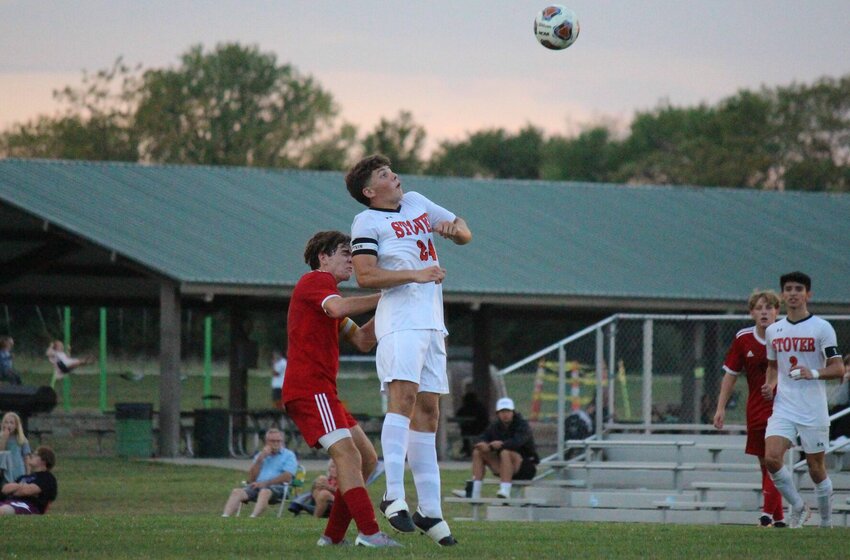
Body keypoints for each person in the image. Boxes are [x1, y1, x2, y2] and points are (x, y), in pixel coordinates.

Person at [347, 154, 471, 546]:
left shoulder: (416, 201)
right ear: (370, 191)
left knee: (430, 411)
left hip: (432, 321)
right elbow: (365, 275)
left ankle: (430, 509)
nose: (394, 176)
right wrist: (415, 273)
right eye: (384, 175)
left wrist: (455, 232)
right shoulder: (367, 221)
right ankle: (393, 493)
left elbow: (465, 230)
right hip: (400, 321)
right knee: (403, 399)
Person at [282, 230, 399, 548]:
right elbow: (337, 309)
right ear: (323, 257)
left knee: (368, 459)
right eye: (346, 253)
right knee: (348, 455)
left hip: (322, 392)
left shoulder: (328, 298)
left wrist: (395, 306)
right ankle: (370, 533)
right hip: (310, 390)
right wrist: (387, 295)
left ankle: (333, 539)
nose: (352, 260)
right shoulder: (316, 282)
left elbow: (362, 339)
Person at [760, 271, 844, 528]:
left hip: (813, 408)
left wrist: (814, 372)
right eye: (788, 289)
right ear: (783, 295)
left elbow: (838, 368)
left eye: (799, 288)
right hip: (784, 406)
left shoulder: (822, 328)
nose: (793, 293)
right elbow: (773, 367)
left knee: (816, 468)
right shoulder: (774, 330)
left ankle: (827, 522)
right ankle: (797, 506)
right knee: (772, 458)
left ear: (808, 294)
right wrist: (770, 384)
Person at [713, 290, 786, 527]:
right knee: (765, 464)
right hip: (755, 409)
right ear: (751, 312)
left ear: (777, 311)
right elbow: (730, 375)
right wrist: (720, 408)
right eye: (759, 307)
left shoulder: (787, 334)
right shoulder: (743, 338)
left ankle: (766, 515)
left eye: (769, 307)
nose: (764, 312)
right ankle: (779, 518)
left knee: (774, 459)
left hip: (783, 407)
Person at [468, 397, 540, 500]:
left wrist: (500, 445)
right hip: (503, 466)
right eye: (502, 412)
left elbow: (517, 442)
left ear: (513, 412)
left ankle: (505, 490)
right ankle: (475, 492)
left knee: (505, 452)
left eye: (508, 411)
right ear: (498, 413)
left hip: (525, 466)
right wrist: (483, 444)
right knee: (478, 452)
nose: (505, 414)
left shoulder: (522, 425)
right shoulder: (495, 426)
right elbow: (482, 437)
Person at [221, 428, 297, 518]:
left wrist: (265, 484)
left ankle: (253, 517)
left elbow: (287, 477)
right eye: (272, 441)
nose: (276, 444)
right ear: (266, 442)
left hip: (278, 487)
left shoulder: (288, 455)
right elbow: (251, 479)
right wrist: (260, 460)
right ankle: (225, 516)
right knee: (236, 492)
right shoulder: (260, 455)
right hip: (257, 486)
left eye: (278, 441)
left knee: (264, 492)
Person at [0, 446, 57, 515]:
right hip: (8, 501)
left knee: (3, 510)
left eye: (35, 455)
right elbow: (5, 489)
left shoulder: (47, 478)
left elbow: (26, 491)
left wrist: (15, 489)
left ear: (44, 460)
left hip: (28, 506)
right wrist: (22, 487)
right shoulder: (23, 477)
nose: (31, 456)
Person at [454, 388, 489, 458]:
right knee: (465, 432)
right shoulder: (480, 407)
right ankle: (467, 450)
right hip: (478, 429)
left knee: (465, 432)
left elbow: (458, 415)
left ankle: (466, 449)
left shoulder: (471, 407)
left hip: (477, 430)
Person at [0, 412, 31, 485]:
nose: (8, 425)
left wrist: (27, 474)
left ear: (16, 425)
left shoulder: (22, 439)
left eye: (11, 423)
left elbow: (26, 458)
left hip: (18, 469)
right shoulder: (1, 437)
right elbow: (1, 451)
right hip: (5, 469)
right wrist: (4, 438)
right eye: (6, 422)